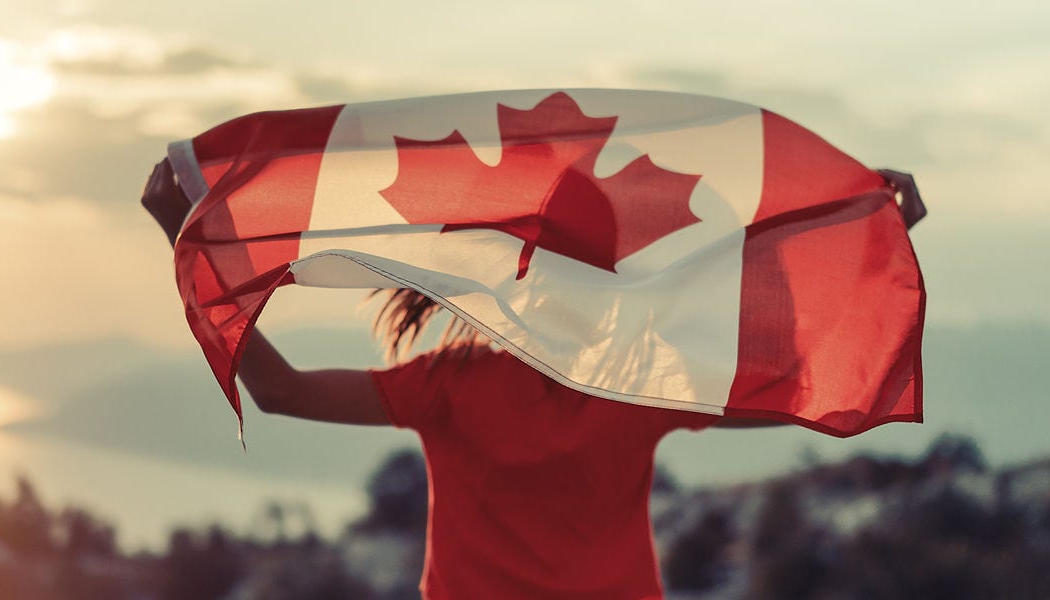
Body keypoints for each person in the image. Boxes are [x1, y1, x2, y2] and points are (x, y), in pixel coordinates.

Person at [141, 159, 784, 599]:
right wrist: (880, 245)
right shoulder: (643, 380)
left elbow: (282, 391)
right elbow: (794, 393)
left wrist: (189, 249)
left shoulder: (453, 383)